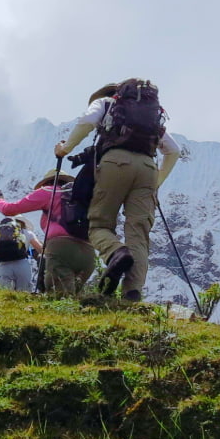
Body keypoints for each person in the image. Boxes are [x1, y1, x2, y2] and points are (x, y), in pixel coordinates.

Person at [54, 79, 179, 302]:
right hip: (148, 168)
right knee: (138, 232)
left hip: (115, 163)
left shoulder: (105, 104)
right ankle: (132, 292)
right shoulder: (149, 117)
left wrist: (65, 149)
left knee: (100, 224)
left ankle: (116, 253)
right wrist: (156, 183)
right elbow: (173, 150)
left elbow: (87, 122)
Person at [0, 172, 96, 296]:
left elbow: (9, 209)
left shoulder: (50, 192)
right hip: (89, 252)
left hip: (61, 249)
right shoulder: (84, 196)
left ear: (48, 182)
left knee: (59, 297)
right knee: (73, 299)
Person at [0, 216, 41, 292]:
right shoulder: (27, 233)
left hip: (4, 267)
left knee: (5, 294)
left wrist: (0, 259)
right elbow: (40, 249)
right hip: (22, 265)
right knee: (24, 293)